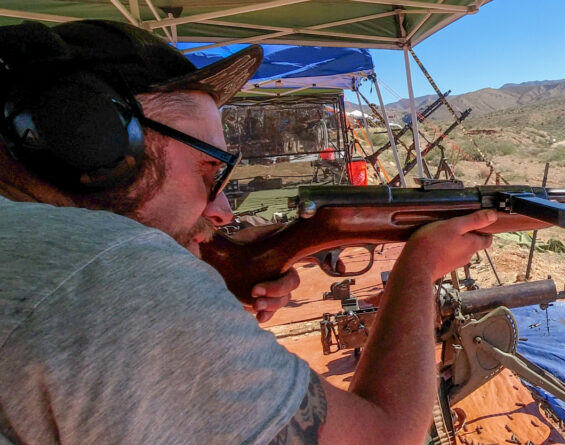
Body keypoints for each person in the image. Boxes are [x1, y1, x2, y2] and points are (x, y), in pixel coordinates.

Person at [0, 20, 497, 444]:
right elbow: (385, 437)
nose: (221, 210)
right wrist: (421, 266)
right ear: (93, 145)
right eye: (208, 170)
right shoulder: (110, 274)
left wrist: (211, 287)